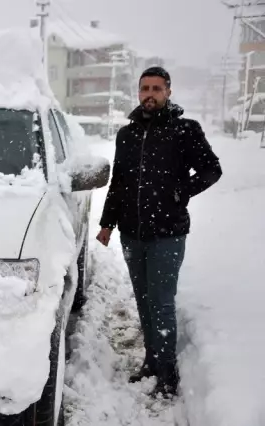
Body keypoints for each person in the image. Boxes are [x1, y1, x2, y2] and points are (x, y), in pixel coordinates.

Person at [95, 66, 222, 398]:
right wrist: (107, 223)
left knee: (162, 302)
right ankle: (152, 361)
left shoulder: (185, 131)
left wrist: (182, 192)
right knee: (143, 299)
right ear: (138, 93)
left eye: (156, 88)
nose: (149, 94)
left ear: (168, 92)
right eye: (144, 89)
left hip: (168, 232)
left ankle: (166, 373)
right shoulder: (128, 135)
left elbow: (212, 169)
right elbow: (119, 182)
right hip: (131, 233)